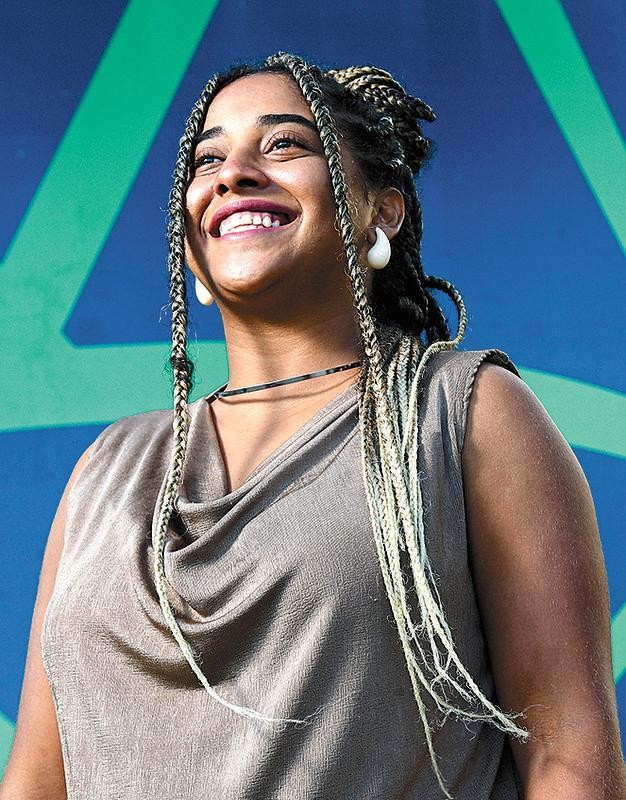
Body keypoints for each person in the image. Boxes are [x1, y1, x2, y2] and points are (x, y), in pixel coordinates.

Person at [2, 52, 623, 800]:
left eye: (285, 144)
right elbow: (35, 781)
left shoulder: (464, 414)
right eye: (208, 160)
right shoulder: (108, 468)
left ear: (379, 211)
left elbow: (568, 754)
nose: (234, 174)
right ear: (190, 247)